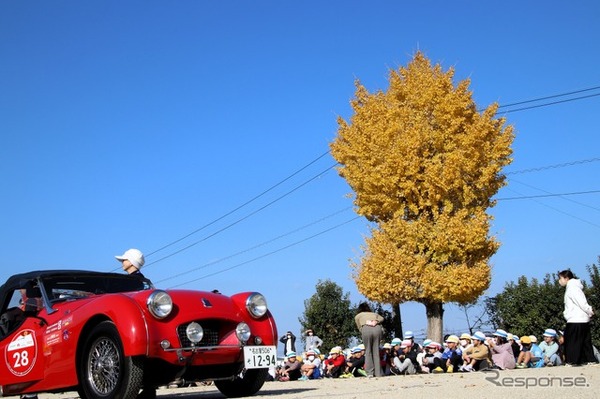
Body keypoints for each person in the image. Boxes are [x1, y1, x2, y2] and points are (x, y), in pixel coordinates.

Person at [558, 269, 597, 365]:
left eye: (560, 278)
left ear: (566, 278)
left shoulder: (573, 288)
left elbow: (581, 302)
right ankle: (588, 360)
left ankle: (572, 361)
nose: (559, 281)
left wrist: (590, 311)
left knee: (572, 341)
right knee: (584, 341)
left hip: (575, 319)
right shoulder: (573, 287)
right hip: (581, 319)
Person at [354, 302, 384, 377]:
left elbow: (359, 327)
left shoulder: (358, 316)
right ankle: (378, 373)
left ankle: (370, 372)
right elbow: (382, 318)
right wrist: (376, 321)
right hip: (377, 329)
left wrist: (364, 330)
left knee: (368, 351)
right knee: (376, 351)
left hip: (366, 329)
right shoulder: (374, 314)